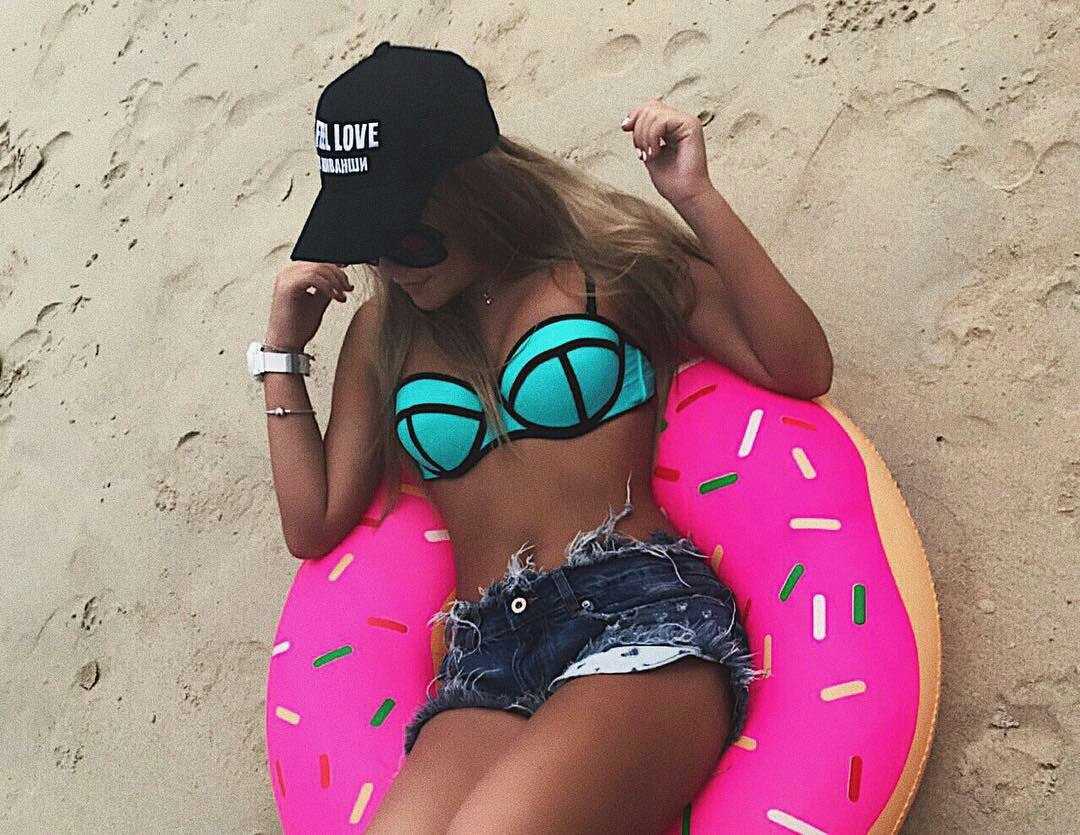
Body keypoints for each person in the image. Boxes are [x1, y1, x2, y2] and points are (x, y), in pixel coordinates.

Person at [254, 41, 832, 834]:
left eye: (410, 238)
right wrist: (281, 358)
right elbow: (313, 523)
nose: (393, 265)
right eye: (368, 241)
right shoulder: (383, 334)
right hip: (487, 655)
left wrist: (694, 197)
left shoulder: (605, 265)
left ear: (473, 190)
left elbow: (798, 365)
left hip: (637, 613)